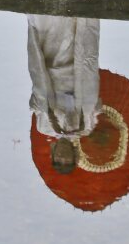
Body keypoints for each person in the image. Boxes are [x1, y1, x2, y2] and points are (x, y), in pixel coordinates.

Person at [27, 15, 102, 174]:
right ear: (74, 156)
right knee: (80, 27)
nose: (62, 156)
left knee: (52, 26)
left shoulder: (44, 127)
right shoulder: (86, 128)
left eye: (58, 160)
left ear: (53, 154)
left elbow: (37, 99)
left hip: (52, 65)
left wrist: (55, 114)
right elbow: (94, 105)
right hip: (79, 72)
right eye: (66, 161)